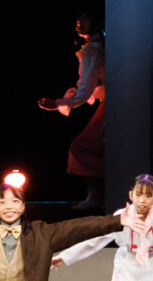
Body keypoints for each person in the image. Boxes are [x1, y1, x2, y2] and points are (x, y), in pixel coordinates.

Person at [36, 13, 107, 209]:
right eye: (78, 19)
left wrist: (58, 103)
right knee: (96, 147)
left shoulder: (93, 49)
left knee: (84, 146)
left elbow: (86, 89)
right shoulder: (95, 47)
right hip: (109, 101)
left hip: (111, 103)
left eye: (85, 18)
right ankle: (98, 195)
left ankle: (97, 196)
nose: (79, 22)